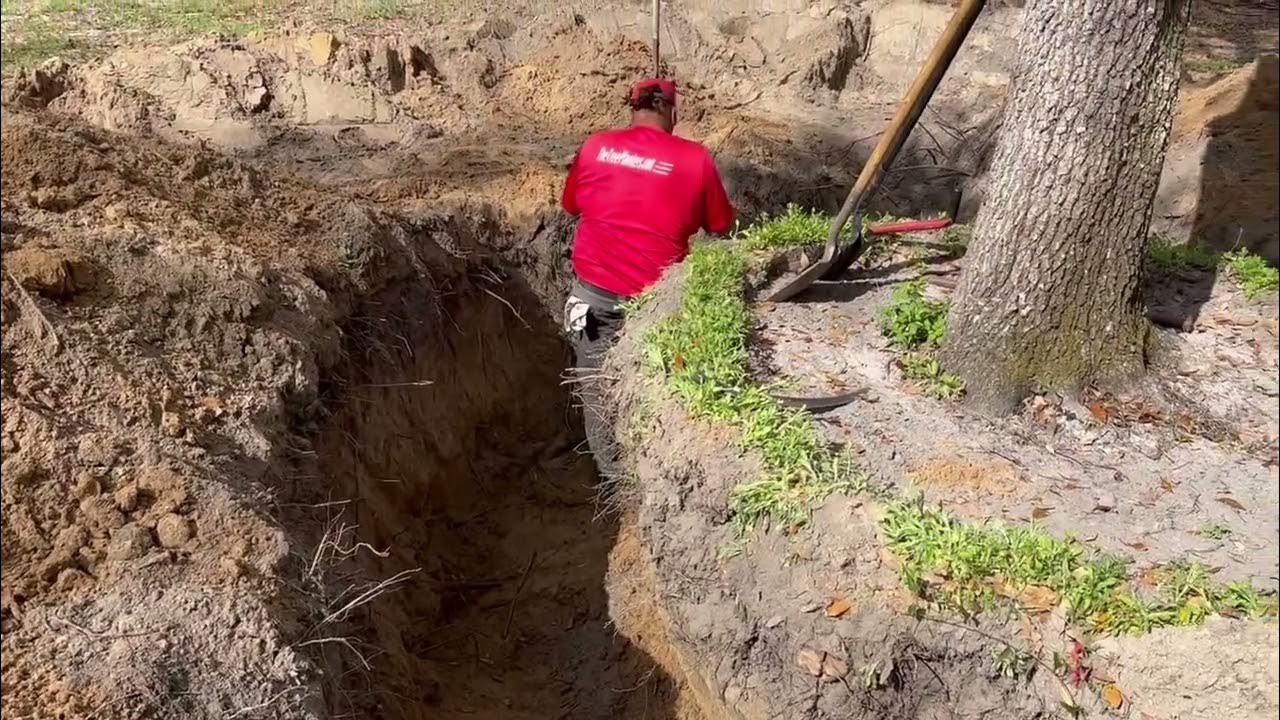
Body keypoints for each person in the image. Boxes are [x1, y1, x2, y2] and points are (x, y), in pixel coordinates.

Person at [560, 77, 736, 476]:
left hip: (591, 298)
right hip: (656, 306)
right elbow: (721, 226)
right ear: (672, 113)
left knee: (597, 391)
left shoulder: (594, 147)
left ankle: (614, 478)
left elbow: (570, 205)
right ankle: (653, 477)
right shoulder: (696, 159)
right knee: (660, 389)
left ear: (633, 110)